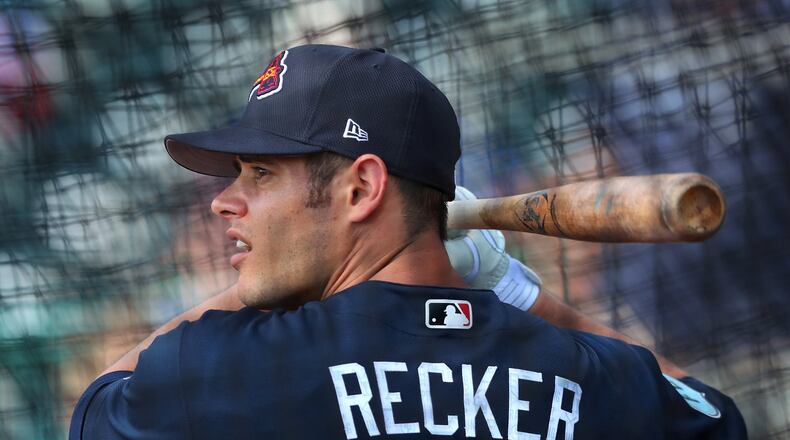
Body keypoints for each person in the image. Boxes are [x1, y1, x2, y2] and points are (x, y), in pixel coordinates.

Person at [69, 44, 746, 439]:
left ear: (363, 189)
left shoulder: (228, 369)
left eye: (262, 173)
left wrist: (245, 284)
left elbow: (99, 402)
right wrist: (516, 290)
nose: (225, 200)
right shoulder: (589, 376)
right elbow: (716, 418)